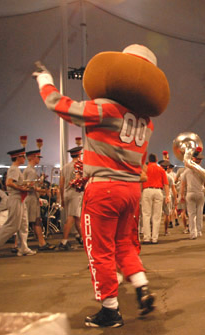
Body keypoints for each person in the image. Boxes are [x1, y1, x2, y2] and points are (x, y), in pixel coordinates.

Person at [34, 44, 169, 327]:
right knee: (124, 244)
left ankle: (110, 310)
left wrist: (44, 81)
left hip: (105, 188)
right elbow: (139, 162)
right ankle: (141, 285)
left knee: (100, 251)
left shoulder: (106, 107)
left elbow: (60, 106)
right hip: (131, 190)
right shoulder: (147, 123)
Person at [0, 148, 37, 256]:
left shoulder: (16, 169)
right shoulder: (14, 169)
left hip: (20, 198)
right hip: (15, 198)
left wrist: (23, 187)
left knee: (23, 225)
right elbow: (9, 183)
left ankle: (23, 248)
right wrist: (22, 188)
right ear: (18, 157)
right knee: (13, 225)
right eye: (23, 157)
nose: (24, 159)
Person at [23, 149, 55, 250]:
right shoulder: (30, 171)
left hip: (31, 198)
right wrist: (41, 190)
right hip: (31, 198)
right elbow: (29, 186)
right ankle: (41, 243)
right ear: (32, 157)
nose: (39, 159)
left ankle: (41, 242)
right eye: (37, 157)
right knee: (34, 221)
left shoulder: (30, 170)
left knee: (31, 221)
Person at [58, 146, 84, 250]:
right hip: (75, 193)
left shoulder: (65, 167)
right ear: (79, 155)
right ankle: (64, 241)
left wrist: (62, 198)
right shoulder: (80, 166)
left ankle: (83, 237)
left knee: (77, 217)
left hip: (66, 193)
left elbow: (61, 183)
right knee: (71, 217)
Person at [141, 154, 169, 244]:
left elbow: (141, 180)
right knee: (156, 216)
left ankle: (146, 238)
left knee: (146, 215)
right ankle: (154, 238)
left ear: (148, 160)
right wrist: (167, 196)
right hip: (158, 191)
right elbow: (166, 184)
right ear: (156, 159)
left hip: (147, 190)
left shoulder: (145, 169)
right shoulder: (161, 169)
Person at [181, 148, 205, 239]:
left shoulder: (186, 171)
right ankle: (199, 231)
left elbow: (183, 185)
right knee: (199, 212)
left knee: (191, 214)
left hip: (190, 193)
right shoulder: (202, 171)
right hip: (200, 192)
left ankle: (193, 233)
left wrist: (181, 196)